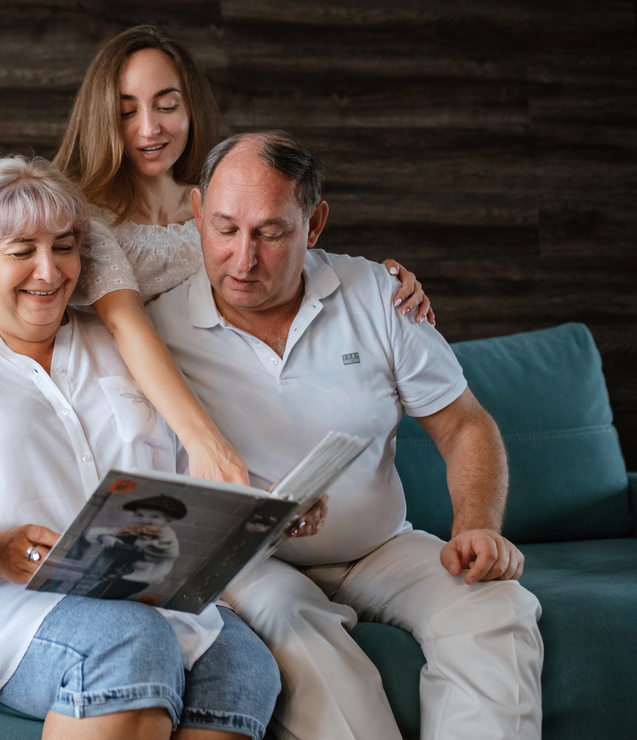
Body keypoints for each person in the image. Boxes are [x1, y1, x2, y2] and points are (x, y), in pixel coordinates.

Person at [0, 154, 281, 740]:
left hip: (137, 594)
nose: (50, 271)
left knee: (243, 664)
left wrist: (265, 507)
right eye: (21, 250)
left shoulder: (119, 348)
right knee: (127, 641)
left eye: (63, 246)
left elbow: (182, 481)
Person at [147, 130, 545, 740]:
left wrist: (477, 527)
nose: (243, 259)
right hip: (252, 565)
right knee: (286, 614)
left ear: (315, 224)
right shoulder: (156, 331)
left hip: (381, 546)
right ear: (197, 212)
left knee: (498, 605)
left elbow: (466, 425)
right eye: (224, 229)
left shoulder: (381, 297)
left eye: (271, 232)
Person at [53, 25, 435, 486]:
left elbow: (288, 249)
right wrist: (203, 441)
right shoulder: (82, 216)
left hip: (216, 396)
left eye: (167, 105)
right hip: (115, 404)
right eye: (126, 111)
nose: (149, 128)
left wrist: (384, 281)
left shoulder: (222, 202)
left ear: (191, 106)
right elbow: (124, 323)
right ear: (101, 118)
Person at [82, 494, 187, 599]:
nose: (145, 520)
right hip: (115, 570)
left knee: (104, 596)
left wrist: (145, 545)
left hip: (139, 576)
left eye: (155, 517)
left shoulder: (166, 535)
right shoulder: (132, 529)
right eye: (140, 515)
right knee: (96, 591)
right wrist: (104, 537)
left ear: (168, 520)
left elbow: (171, 553)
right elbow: (102, 532)